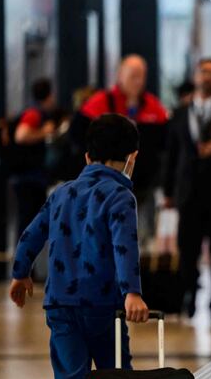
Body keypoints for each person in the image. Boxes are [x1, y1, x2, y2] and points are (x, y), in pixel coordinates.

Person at [8, 114, 150, 379]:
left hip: (61, 306)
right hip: (104, 307)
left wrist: (20, 273)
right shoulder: (121, 195)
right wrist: (132, 292)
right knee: (115, 377)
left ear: (87, 157)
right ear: (132, 157)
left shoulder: (61, 193)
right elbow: (124, 246)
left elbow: (31, 233)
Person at [163, 58, 211, 327]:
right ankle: (190, 296)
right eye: (203, 72)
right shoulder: (180, 114)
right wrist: (168, 191)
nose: (207, 77)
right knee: (187, 251)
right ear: (196, 76)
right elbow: (171, 154)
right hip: (188, 193)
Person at [70, 55, 168, 243]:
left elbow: (165, 143)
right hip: (103, 188)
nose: (138, 82)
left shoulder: (153, 106)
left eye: (142, 76)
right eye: (133, 76)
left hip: (141, 187)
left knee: (135, 238)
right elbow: (77, 136)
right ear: (120, 75)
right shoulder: (100, 102)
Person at [10, 78, 62, 237]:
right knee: (27, 221)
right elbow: (21, 136)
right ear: (50, 95)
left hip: (33, 177)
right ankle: (23, 259)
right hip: (28, 178)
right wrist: (44, 132)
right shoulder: (34, 114)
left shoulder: (38, 113)